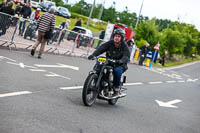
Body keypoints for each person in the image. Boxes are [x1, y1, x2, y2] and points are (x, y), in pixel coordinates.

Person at [88, 28, 130, 98]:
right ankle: (98, 84)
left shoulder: (124, 46)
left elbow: (126, 56)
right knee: (99, 67)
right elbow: (101, 48)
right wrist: (94, 55)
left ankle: (116, 90)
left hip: (120, 64)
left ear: (122, 38)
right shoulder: (110, 43)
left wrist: (120, 61)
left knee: (117, 71)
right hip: (109, 61)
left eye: (119, 36)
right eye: (116, 36)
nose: (116, 38)